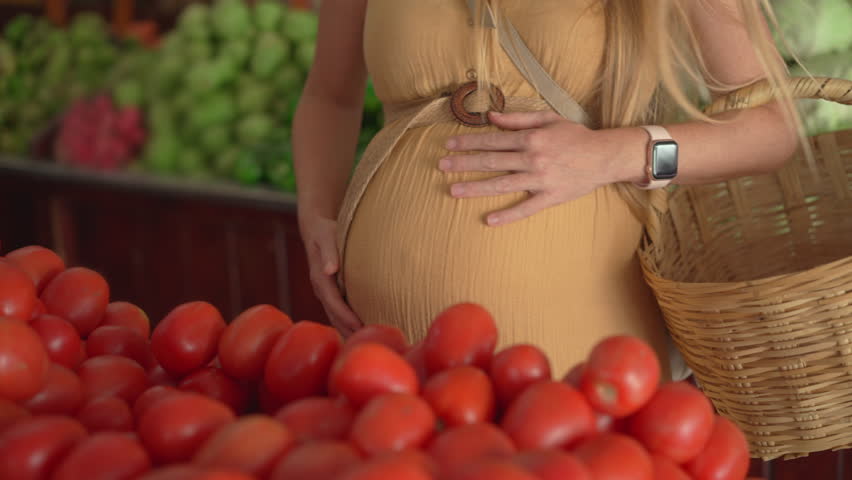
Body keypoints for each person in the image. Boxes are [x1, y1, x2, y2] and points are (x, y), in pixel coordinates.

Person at [292, 0, 803, 378]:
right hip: (386, 350)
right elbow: (329, 95)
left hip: (581, 342)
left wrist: (611, 155)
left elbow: (771, 129)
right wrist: (315, 212)